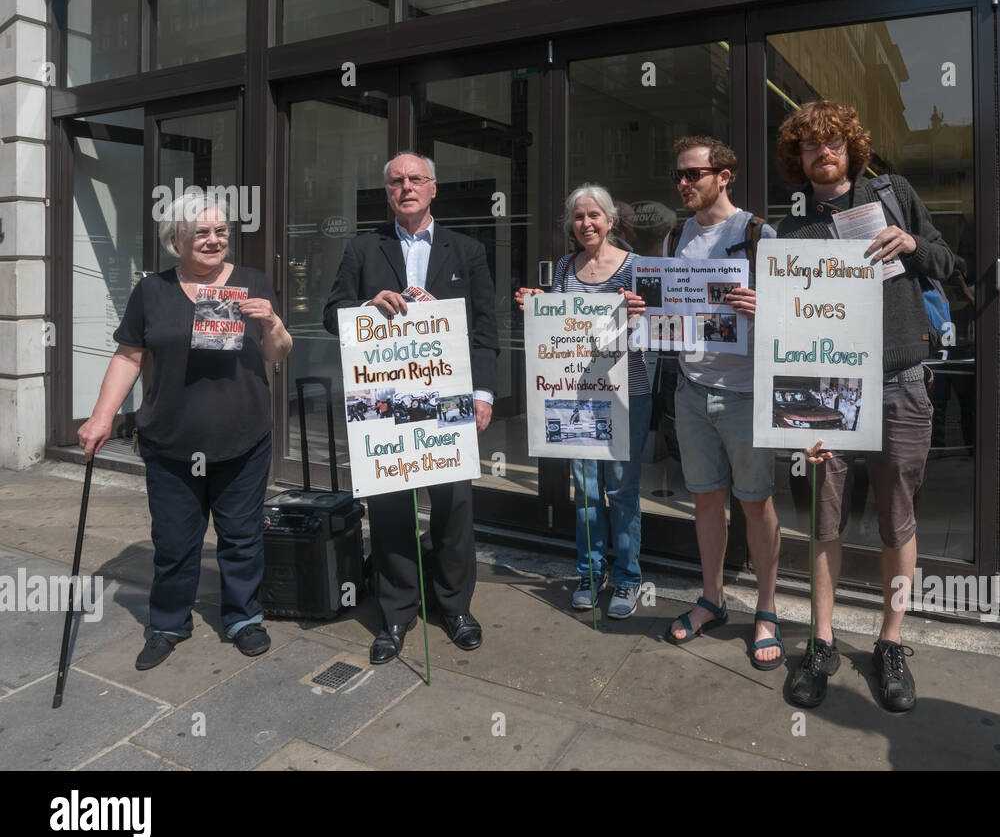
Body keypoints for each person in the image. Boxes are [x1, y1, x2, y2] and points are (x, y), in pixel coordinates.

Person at [774, 101, 954, 711]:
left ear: (851, 147)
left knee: (897, 519)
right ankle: (821, 642)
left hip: (902, 378)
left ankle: (890, 642)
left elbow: (947, 261)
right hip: (829, 392)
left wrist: (910, 243)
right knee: (825, 518)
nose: (822, 153)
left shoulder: (893, 193)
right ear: (798, 159)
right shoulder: (794, 227)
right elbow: (788, 324)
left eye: (832, 143)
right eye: (809, 146)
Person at [78, 194, 293, 670]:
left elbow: (277, 354)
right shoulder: (151, 291)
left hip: (243, 436)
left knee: (240, 536)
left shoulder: (252, 282)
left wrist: (273, 322)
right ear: (175, 240)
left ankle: (243, 618)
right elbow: (129, 356)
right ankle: (169, 622)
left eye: (220, 231)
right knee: (174, 541)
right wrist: (101, 416)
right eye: (201, 232)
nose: (214, 240)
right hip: (171, 442)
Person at [324, 151, 499, 663]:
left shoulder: (465, 250)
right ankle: (396, 612)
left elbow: (486, 329)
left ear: (433, 188)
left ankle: (454, 606)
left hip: (447, 395)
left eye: (416, 179)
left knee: (454, 505)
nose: (406, 188)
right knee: (390, 505)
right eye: (397, 181)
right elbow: (332, 316)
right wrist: (364, 308)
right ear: (388, 192)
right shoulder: (363, 248)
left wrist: (483, 394)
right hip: (384, 398)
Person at [661, 136, 785, 671]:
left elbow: (801, 315)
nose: (685, 183)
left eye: (694, 174)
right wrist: (643, 305)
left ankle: (767, 609)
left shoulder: (758, 234)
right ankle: (712, 599)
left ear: (724, 175)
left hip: (747, 392)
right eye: (680, 176)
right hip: (691, 389)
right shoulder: (673, 237)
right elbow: (667, 307)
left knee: (755, 504)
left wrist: (769, 305)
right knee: (706, 500)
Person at [515, 185, 650, 618]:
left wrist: (639, 315)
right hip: (575, 392)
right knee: (586, 489)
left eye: (594, 215)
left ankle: (628, 579)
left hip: (627, 391)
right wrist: (539, 303)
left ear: (611, 220)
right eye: (578, 217)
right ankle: (590, 573)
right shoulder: (564, 266)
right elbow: (560, 325)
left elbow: (656, 332)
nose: (586, 223)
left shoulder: (635, 268)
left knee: (622, 489)